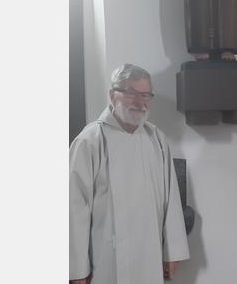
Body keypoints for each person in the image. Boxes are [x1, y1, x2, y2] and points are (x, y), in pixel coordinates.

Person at [69, 64, 189, 284]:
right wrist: (77, 269)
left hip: (150, 253)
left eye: (146, 95)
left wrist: (173, 252)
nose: (140, 102)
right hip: (106, 258)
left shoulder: (156, 139)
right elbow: (74, 208)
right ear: (112, 95)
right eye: (131, 93)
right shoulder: (90, 141)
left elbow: (171, 200)